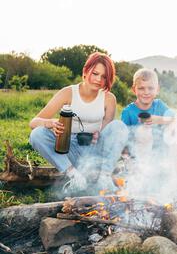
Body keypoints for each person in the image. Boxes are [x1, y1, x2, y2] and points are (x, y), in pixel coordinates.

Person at [29, 52, 129, 193]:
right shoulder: (68, 93)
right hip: (69, 149)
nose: (98, 79)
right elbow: (33, 122)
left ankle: (104, 177)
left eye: (104, 76)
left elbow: (108, 132)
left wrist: (98, 134)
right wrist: (50, 123)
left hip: (94, 152)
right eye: (95, 73)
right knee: (37, 134)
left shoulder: (109, 98)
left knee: (119, 126)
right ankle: (75, 177)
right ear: (86, 71)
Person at [120, 68, 177, 162]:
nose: (146, 92)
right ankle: (141, 168)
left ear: (157, 90)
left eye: (151, 88)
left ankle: (174, 167)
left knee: (176, 126)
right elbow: (123, 140)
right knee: (143, 131)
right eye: (141, 88)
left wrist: (158, 120)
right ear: (134, 89)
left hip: (160, 156)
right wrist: (127, 159)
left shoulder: (159, 105)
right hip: (137, 157)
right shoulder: (128, 112)